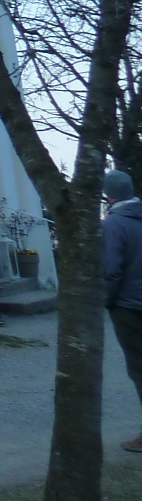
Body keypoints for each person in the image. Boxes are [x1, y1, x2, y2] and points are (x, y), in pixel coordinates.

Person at [103, 171, 142, 454]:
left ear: (109, 195)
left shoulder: (114, 224)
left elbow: (111, 270)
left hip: (129, 306)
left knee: (139, 369)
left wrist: (107, 301)